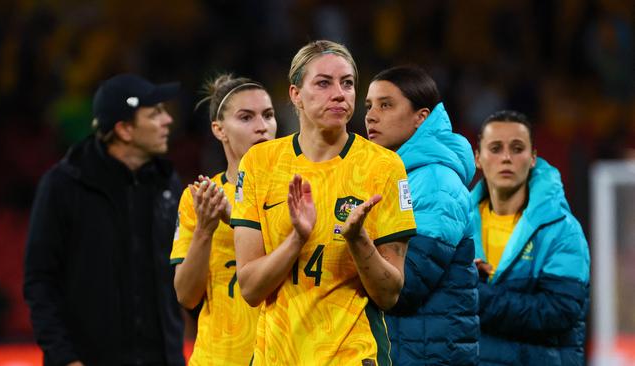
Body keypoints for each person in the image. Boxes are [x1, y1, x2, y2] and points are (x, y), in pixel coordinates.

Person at [230, 40, 416, 366]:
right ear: (295, 95)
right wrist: (297, 238)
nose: (339, 93)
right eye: (323, 83)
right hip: (277, 356)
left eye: (347, 83)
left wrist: (359, 242)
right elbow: (250, 289)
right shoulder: (260, 164)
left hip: (354, 355)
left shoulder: (384, 167)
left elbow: (389, 295)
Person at [24, 74, 185, 366]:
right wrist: (65, 359)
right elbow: (40, 282)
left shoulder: (167, 184)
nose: (167, 121)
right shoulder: (64, 186)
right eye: (155, 113)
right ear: (124, 129)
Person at [364, 65, 479, 365]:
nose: (371, 115)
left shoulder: (437, 182)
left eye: (386, 104)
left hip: (428, 355)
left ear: (421, 118)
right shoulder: (395, 177)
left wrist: (351, 244)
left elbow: (406, 285)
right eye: (369, 106)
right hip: (407, 348)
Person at [170, 74, 277, 365]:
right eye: (246, 117)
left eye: (268, 115)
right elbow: (186, 296)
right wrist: (205, 229)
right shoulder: (199, 198)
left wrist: (235, 219)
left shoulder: (298, 191)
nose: (262, 127)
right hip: (217, 356)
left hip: (282, 353)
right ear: (219, 130)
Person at [471, 110, 590, 365]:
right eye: (495, 148)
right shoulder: (458, 225)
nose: (506, 158)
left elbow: (559, 311)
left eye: (517, 148)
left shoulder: (561, 229)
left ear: (533, 157)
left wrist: (475, 294)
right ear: (478, 158)